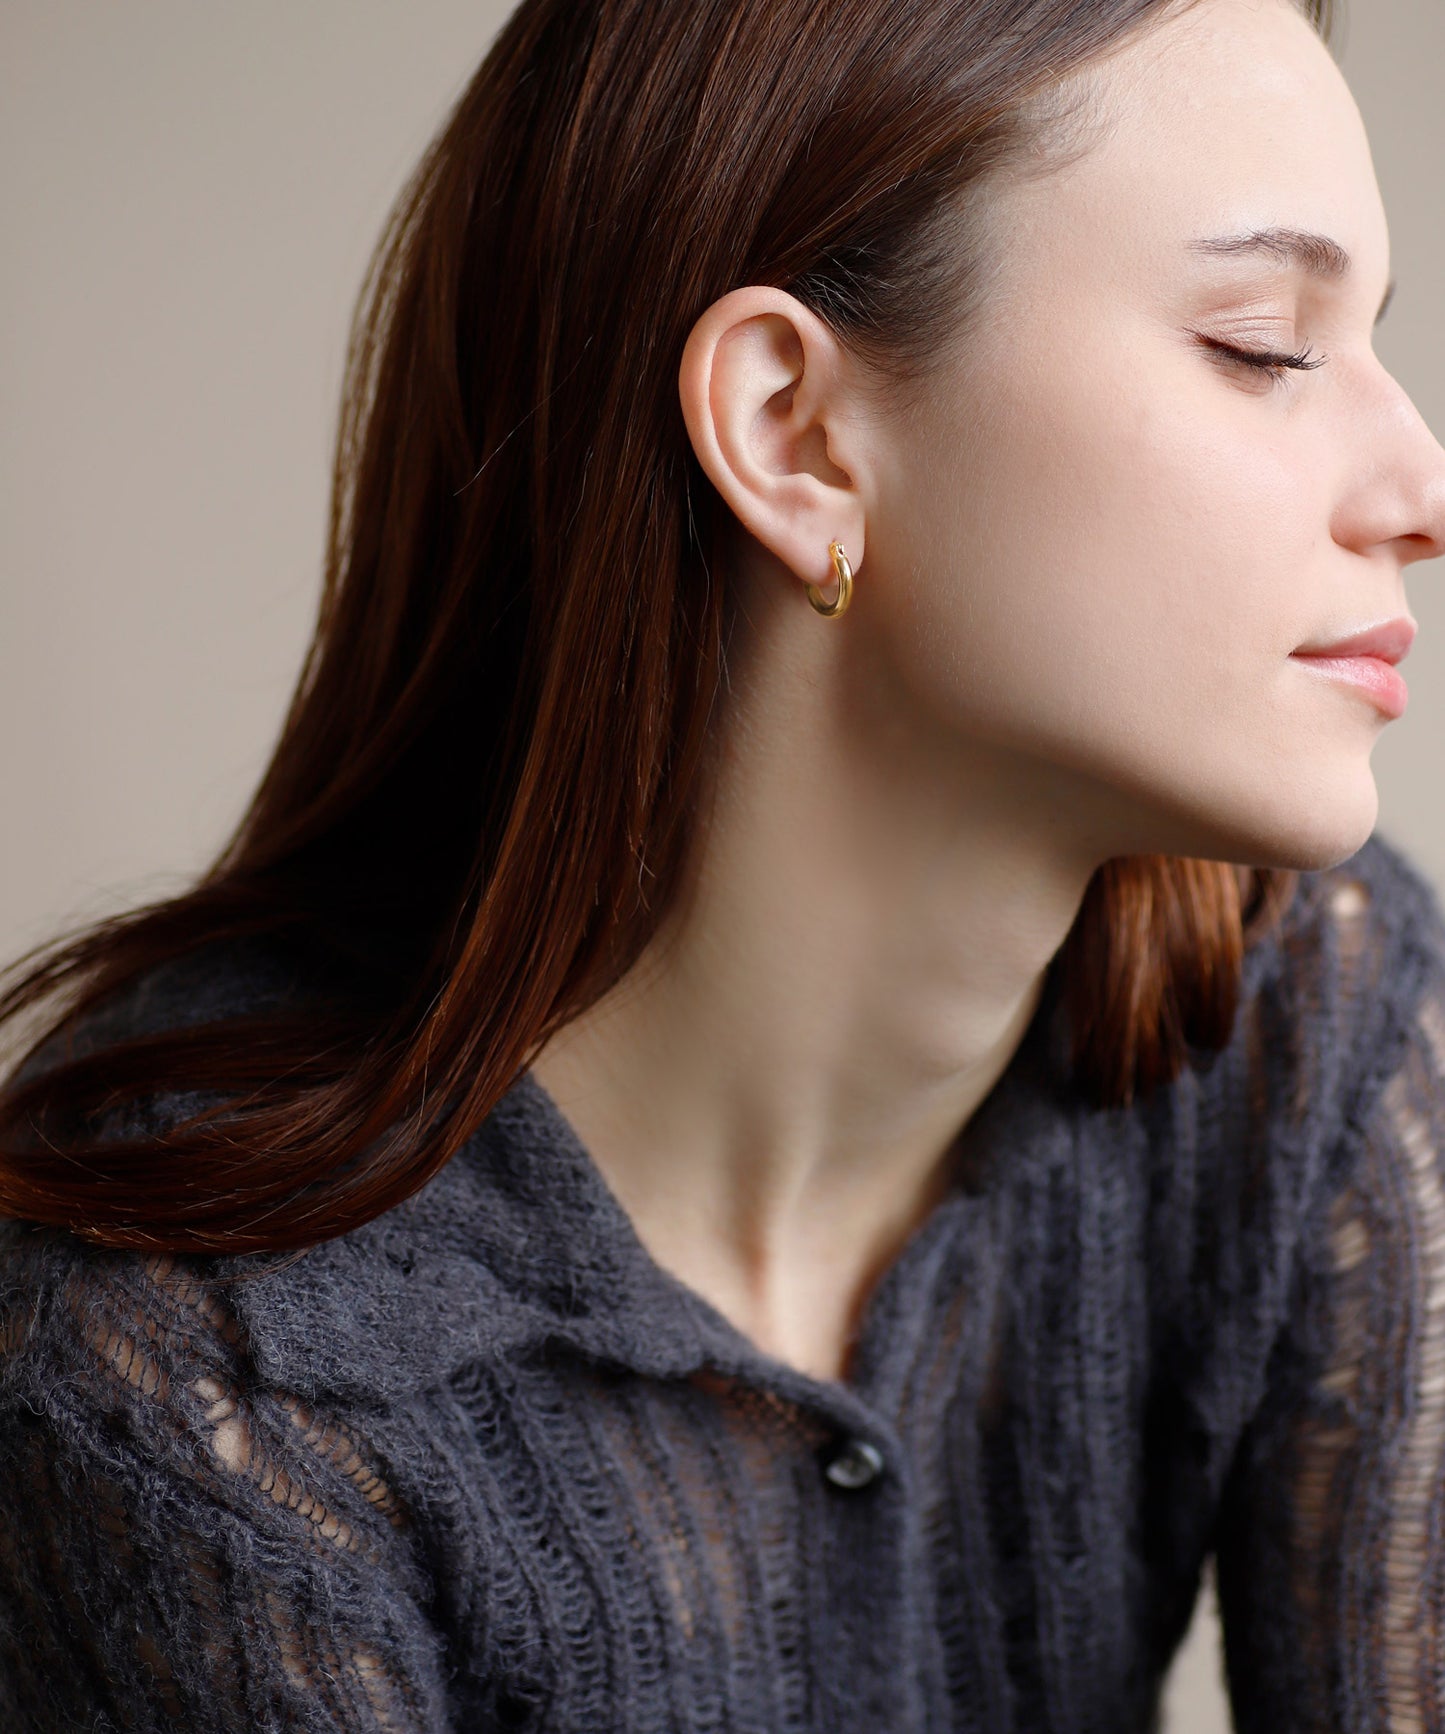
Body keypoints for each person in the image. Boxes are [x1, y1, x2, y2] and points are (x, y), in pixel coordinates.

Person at [2, 0, 1444, 1725]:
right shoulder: (187, 1372)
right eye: (1263, 344)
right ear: (795, 433)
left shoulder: (1304, 1021)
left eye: (1370, 341)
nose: (1417, 482)